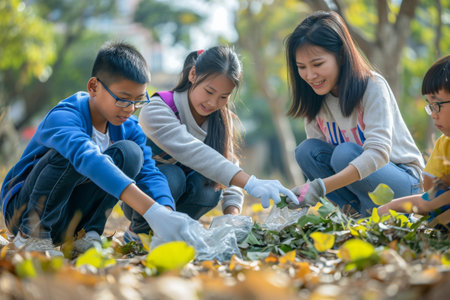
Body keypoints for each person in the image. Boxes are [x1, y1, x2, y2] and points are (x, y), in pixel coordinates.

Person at [1, 42, 205, 257]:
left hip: (66, 216)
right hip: (23, 211)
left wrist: (166, 212)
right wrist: (151, 210)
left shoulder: (129, 128)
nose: (130, 109)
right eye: (123, 99)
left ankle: (87, 234)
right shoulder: (65, 117)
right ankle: (31, 237)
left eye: (138, 101)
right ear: (93, 87)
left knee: (131, 153)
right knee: (73, 154)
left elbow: (149, 172)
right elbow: (88, 158)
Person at [121, 45, 298, 243]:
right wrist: (251, 182)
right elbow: (194, 152)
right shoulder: (157, 110)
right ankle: (137, 233)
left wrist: (232, 216)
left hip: (179, 201)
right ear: (193, 74)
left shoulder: (221, 121)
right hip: (142, 198)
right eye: (209, 91)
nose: (213, 103)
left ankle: (177, 232)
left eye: (223, 97)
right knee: (173, 176)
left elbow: (227, 165)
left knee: (208, 187)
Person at [284, 11, 424, 216]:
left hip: (403, 185)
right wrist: (303, 195)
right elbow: (318, 165)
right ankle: (356, 213)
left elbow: (378, 153)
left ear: (340, 55)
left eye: (317, 64)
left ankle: (383, 213)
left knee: (344, 154)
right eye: (301, 67)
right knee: (306, 151)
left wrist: (320, 188)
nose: (310, 75)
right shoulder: (315, 100)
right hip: (360, 189)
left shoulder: (372, 86)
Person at [377, 55, 450, 226]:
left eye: (437, 104)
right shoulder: (444, 144)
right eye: (430, 106)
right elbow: (430, 198)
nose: (433, 114)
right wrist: (388, 208)